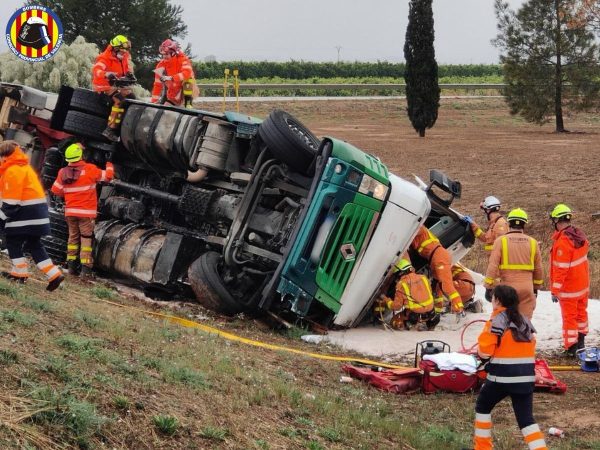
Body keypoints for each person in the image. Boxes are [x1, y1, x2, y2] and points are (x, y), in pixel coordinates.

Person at [471, 284, 548, 450]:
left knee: (483, 407)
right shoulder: (525, 321)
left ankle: (482, 447)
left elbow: (484, 352)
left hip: (501, 378)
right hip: (525, 379)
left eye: (492, 298)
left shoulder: (496, 321)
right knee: (526, 420)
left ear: (498, 301)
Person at [0, 140, 64, 291]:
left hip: (26, 214)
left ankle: (20, 274)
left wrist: (1, 219)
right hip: (38, 213)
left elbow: (11, 202)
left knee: (13, 242)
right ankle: (54, 274)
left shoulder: (12, 170)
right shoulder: (24, 168)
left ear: (4, 156)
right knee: (34, 244)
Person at [51, 143, 114, 278]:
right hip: (86, 213)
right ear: (81, 156)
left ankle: (71, 267)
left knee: (72, 238)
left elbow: (56, 190)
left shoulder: (63, 172)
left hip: (70, 213)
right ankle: (85, 270)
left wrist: (70, 192)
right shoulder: (90, 169)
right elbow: (108, 177)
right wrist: (109, 162)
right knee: (86, 239)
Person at [483, 208, 543, 320]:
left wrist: (488, 286)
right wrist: (535, 288)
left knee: (503, 322)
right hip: (526, 288)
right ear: (524, 224)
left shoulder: (501, 241)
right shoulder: (533, 242)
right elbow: (538, 268)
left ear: (509, 223)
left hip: (506, 289)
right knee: (524, 323)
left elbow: (493, 265)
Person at [549, 203, 590, 355]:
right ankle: (581, 344)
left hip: (569, 290)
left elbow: (561, 269)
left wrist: (555, 290)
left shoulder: (563, 242)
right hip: (582, 286)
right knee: (581, 315)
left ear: (557, 221)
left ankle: (571, 348)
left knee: (570, 319)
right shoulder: (580, 237)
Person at [409, 225, 464, 315]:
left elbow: (415, 228)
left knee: (446, 285)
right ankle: (438, 311)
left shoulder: (419, 227)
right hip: (435, 258)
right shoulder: (416, 237)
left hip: (439, 256)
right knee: (437, 285)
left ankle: (459, 309)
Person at [92, 35, 135, 142]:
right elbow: (96, 70)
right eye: (121, 52)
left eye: (125, 52)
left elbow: (124, 70)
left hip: (116, 85)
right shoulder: (104, 58)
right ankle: (109, 129)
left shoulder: (124, 57)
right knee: (119, 100)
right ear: (114, 49)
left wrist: (129, 74)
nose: (123, 54)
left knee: (133, 99)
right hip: (103, 86)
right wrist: (106, 74)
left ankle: (126, 126)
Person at [376, 259, 440, 331]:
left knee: (394, 322)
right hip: (431, 311)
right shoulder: (423, 278)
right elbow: (428, 293)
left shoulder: (401, 284)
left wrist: (385, 299)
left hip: (414, 315)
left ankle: (409, 324)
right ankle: (430, 324)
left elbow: (396, 306)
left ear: (400, 273)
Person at [150, 39, 197, 108]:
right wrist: (153, 101)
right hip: (173, 91)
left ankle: (188, 105)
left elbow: (187, 73)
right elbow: (157, 85)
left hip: (186, 89)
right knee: (166, 107)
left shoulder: (183, 59)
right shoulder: (160, 66)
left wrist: (171, 78)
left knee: (188, 80)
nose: (164, 56)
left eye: (166, 54)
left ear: (173, 53)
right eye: (163, 54)